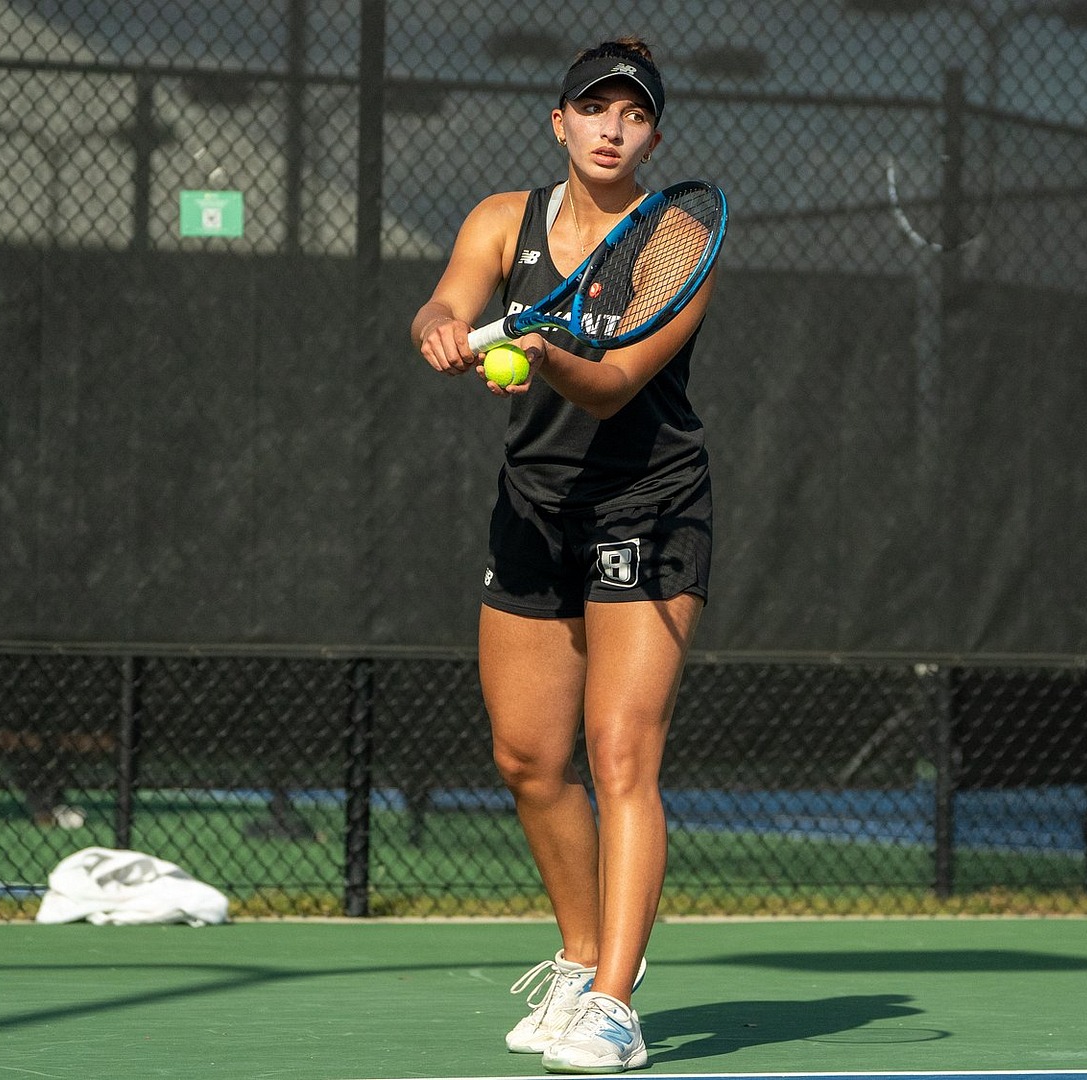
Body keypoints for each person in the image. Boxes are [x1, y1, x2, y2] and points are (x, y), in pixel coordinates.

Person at [409, 37, 716, 1075]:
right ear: (560, 121)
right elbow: (443, 300)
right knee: (528, 759)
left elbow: (616, 380)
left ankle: (619, 1006)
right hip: (535, 511)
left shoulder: (675, 240)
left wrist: (544, 352)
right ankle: (581, 964)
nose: (611, 126)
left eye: (633, 114)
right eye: (594, 107)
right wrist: (445, 329)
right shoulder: (505, 219)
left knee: (621, 752)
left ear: (653, 136)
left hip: (648, 507)